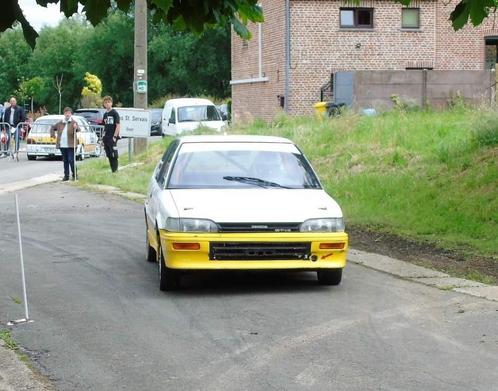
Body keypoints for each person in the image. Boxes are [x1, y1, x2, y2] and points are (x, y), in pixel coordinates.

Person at [50, 107, 79, 181]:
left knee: (71, 160)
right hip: (62, 144)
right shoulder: (60, 123)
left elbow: (78, 129)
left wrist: (76, 127)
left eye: (69, 113)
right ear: (64, 114)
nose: (67, 114)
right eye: (66, 113)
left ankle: (75, 175)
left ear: (71, 114)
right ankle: (66, 175)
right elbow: (52, 127)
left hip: (71, 145)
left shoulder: (73, 122)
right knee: (65, 160)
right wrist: (52, 134)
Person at [102, 95, 120, 172]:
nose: (107, 104)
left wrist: (115, 136)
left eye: (108, 102)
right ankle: (112, 170)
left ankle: (115, 170)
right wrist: (103, 138)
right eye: (105, 103)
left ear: (111, 103)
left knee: (114, 154)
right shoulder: (105, 114)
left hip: (112, 137)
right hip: (106, 137)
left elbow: (118, 125)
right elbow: (104, 126)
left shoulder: (115, 113)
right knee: (109, 154)